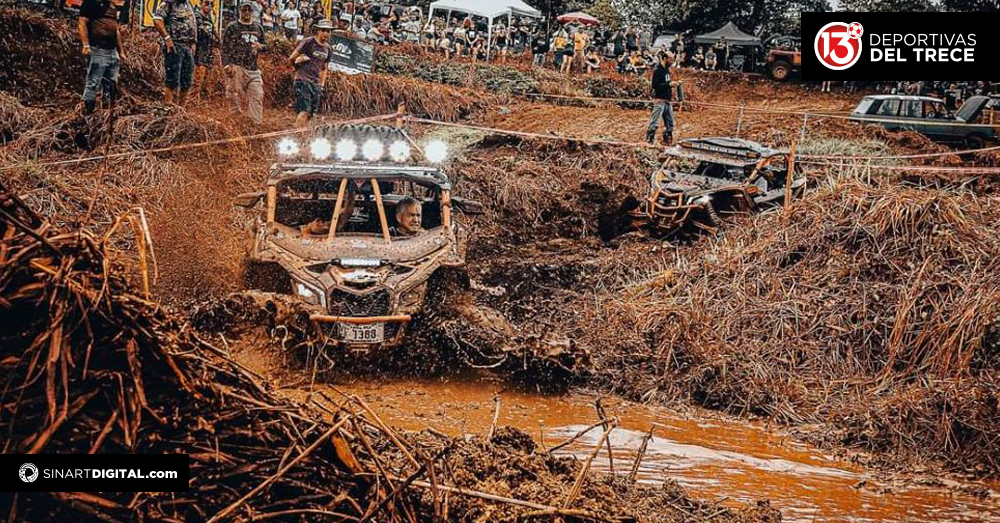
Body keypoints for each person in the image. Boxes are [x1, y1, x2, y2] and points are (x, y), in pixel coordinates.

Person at [78, 0, 126, 114]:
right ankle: (88, 112)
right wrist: (85, 45)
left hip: (112, 50)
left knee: (112, 83)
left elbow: (116, 30)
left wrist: (121, 51)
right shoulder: (90, 3)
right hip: (98, 48)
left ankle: (107, 111)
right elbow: (82, 23)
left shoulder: (112, 6)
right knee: (93, 81)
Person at [222, 0, 265, 123]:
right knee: (233, 95)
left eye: (249, 10)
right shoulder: (232, 27)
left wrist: (260, 46)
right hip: (237, 66)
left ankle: (255, 124)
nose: (246, 12)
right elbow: (224, 48)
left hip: (253, 68)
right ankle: (236, 121)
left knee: (257, 95)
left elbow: (266, 45)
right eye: (244, 9)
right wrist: (226, 64)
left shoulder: (258, 27)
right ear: (239, 10)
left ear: (252, 11)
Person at [289, 18, 333, 127]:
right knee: (304, 111)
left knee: (311, 114)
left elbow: (324, 68)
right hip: (303, 79)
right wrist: (297, 66)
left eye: (328, 31)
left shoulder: (328, 48)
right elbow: (292, 58)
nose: (326, 33)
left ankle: (303, 135)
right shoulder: (308, 42)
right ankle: (297, 135)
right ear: (318, 30)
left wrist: (321, 85)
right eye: (323, 30)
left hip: (316, 83)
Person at [154, 0, 198, 105]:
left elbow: (193, 22)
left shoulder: (187, 4)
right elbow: (157, 20)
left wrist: (194, 42)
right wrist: (167, 38)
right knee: (172, 80)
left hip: (188, 46)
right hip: (175, 46)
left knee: (186, 80)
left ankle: (181, 109)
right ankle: (168, 107)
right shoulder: (168, 3)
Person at [192, 0, 218, 98]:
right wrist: (213, 38)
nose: (209, 6)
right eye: (207, 3)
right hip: (200, 46)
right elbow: (202, 29)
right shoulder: (198, 15)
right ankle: (192, 98)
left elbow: (213, 29)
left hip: (208, 47)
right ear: (201, 4)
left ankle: (204, 97)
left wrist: (218, 39)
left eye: (211, 4)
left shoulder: (209, 16)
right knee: (199, 73)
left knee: (208, 73)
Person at [647, 53, 674, 145]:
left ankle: (667, 140)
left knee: (670, 123)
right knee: (654, 122)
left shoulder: (666, 70)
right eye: (670, 59)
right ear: (665, 58)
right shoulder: (658, 70)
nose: (672, 61)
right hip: (659, 100)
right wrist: (669, 85)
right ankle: (649, 141)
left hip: (667, 100)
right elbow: (654, 85)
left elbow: (666, 84)